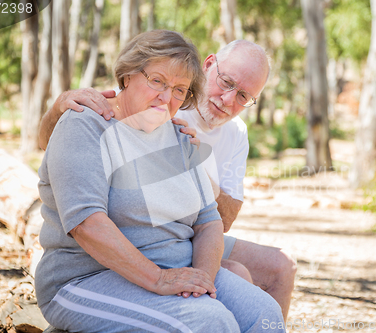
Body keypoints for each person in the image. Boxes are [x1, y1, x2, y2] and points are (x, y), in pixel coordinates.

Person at [35, 30, 284, 332]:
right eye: (158, 81)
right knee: (208, 322)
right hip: (85, 277)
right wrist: (158, 278)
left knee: (265, 315)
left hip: (177, 265)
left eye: (180, 90)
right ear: (127, 75)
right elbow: (87, 223)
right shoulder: (85, 123)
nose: (167, 98)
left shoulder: (179, 137)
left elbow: (210, 221)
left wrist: (203, 278)